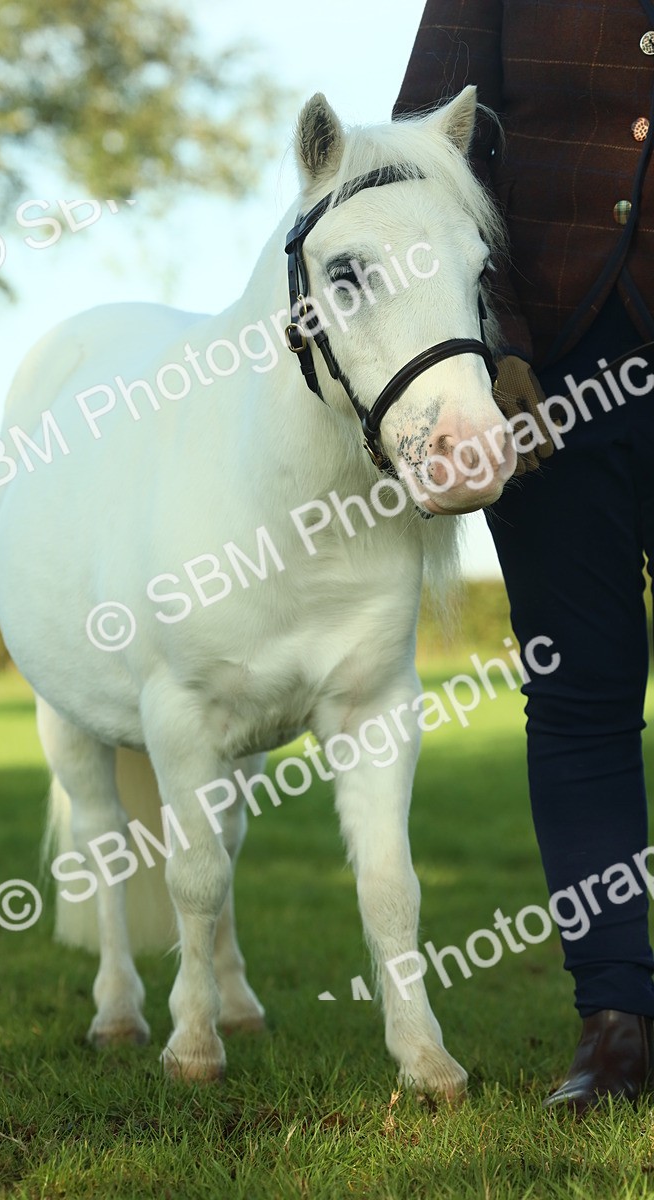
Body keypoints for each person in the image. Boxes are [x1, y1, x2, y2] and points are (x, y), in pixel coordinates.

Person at [394, 0, 654, 1114]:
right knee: (580, 696)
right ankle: (616, 1023)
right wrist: (496, 343)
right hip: (546, 378)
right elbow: (422, 161)